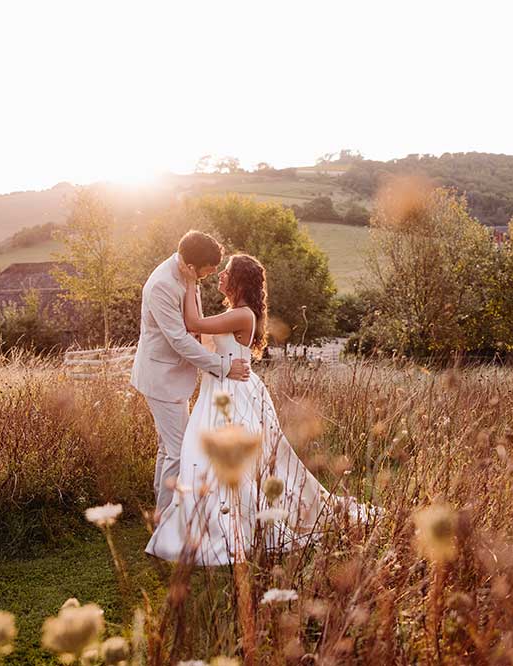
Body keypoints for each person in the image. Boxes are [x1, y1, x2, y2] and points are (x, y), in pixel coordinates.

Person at [146, 253, 370, 565]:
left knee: (230, 459)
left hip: (233, 393)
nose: (220, 277)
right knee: (204, 458)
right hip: (217, 391)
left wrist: (188, 280)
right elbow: (197, 334)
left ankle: (233, 524)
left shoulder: (243, 315)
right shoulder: (232, 313)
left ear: (239, 282)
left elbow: (192, 324)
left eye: (226, 273)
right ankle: (204, 520)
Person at [130, 231, 250, 513]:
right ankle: (166, 520)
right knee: (179, 451)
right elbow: (179, 339)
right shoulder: (162, 285)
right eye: (206, 272)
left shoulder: (188, 276)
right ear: (191, 266)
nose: (209, 277)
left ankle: (162, 509)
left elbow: (194, 323)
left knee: (167, 448)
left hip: (174, 378)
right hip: (161, 379)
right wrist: (222, 366)